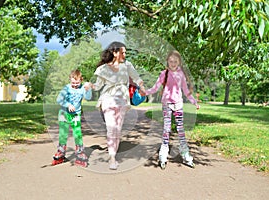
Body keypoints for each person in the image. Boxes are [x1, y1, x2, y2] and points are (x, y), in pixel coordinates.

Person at [92, 41, 145, 170]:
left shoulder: (127, 65)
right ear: (115, 53)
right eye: (123, 52)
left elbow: (137, 78)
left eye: (125, 52)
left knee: (117, 130)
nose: (125, 54)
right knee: (111, 128)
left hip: (122, 101)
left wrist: (142, 87)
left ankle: (113, 153)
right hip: (108, 100)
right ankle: (112, 158)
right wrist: (89, 86)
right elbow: (97, 86)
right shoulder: (103, 68)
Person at [144, 50, 200, 169]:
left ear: (179, 62)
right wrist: (145, 92)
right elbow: (155, 88)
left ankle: (186, 155)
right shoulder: (164, 73)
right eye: (171, 61)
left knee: (180, 130)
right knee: (166, 129)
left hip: (178, 104)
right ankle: (163, 154)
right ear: (167, 62)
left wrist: (194, 102)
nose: (173, 63)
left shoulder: (181, 75)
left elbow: (186, 91)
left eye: (175, 61)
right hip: (167, 104)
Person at [52, 69, 92, 167]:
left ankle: (79, 152)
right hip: (63, 113)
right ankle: (61, 151)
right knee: (63, 133)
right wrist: (68, 104)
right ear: (70, 80)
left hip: (75, 114)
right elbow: (59, 100)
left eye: (77, 83)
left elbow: (88, 97)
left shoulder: (82, 88)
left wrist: (88, 89)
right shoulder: (66, 88)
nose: (75, 85)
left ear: (81, 80)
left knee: (77, 132)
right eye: (73, 83)